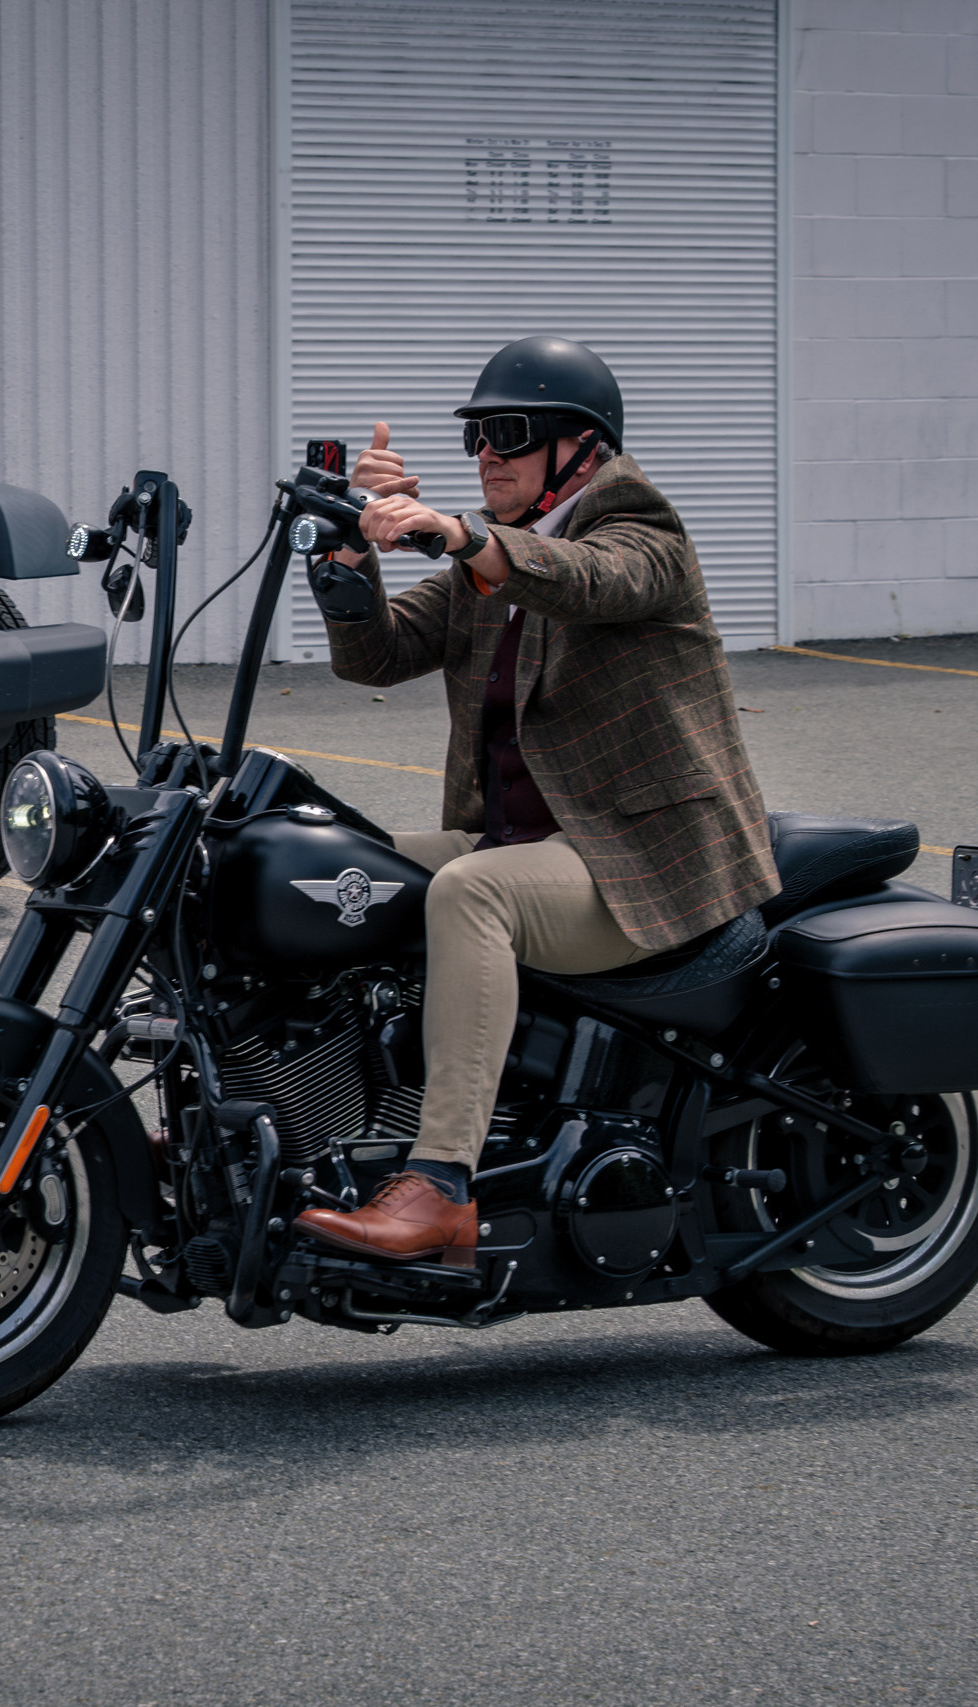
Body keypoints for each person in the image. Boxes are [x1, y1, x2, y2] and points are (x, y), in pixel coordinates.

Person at [293, 335, 782, 1268]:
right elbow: (378, 655)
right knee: (315, 866)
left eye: (510, 433)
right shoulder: (492, 564)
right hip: (533, 839)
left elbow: (595, 581)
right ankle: (279, 1123)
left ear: (582, 448)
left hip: (637, 859)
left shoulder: (639, 527)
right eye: (477, 434)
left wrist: (463, 535)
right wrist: (354, 549)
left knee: (471, 892)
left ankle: (440, 1186)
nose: (487, 453)